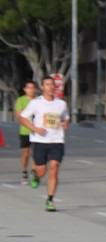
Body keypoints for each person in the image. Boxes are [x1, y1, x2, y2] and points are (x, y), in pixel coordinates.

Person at [18, 76, 70, 212]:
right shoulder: (36, 103)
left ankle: (50, 200)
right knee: (41, 172)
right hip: (40, 141)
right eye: (47, 84)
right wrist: (35, 128)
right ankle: (35, 173)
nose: (50, 87)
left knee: (54, 168)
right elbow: (22, 117)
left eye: (52, 84)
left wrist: (65, 123)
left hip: (57, 141)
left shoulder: (61, 103)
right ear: (42, 87)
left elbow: (66, 117)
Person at [15, 81, 36, 184]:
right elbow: (19, 115)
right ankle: (24, 172)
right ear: (25, 89)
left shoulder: (38, 100)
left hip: (36, 131)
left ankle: (33, 173)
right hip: (25, 130)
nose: (31, 90)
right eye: (29, 88)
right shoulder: (20, 100)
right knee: (26, 153)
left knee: (36, 153)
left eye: (33, 88)